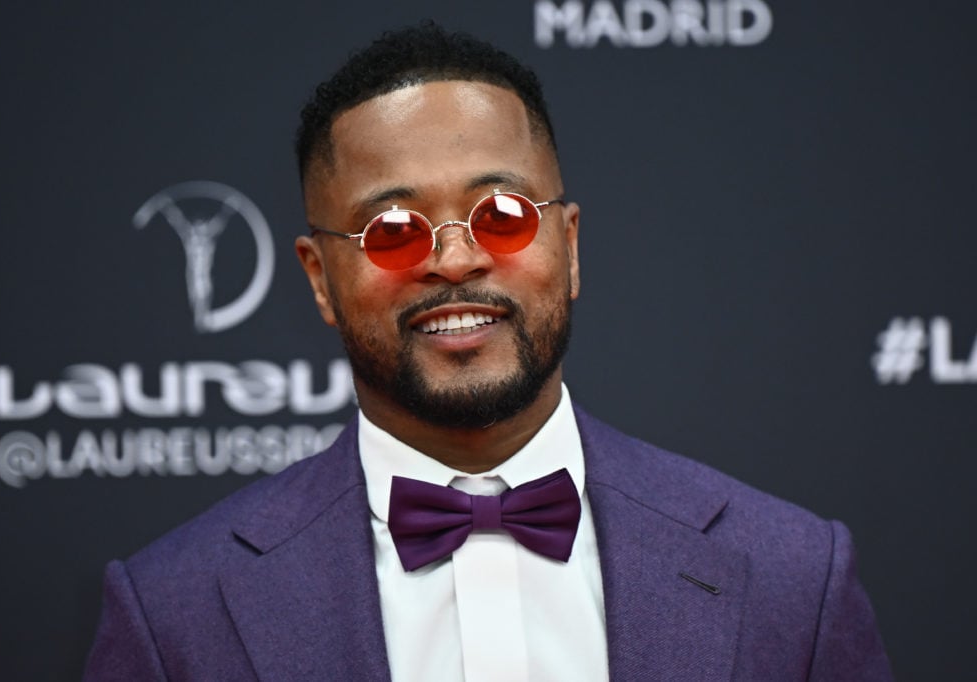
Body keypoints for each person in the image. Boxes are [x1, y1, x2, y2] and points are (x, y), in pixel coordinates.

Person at [84, 22, 893, 681]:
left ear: (568, 246)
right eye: (393, 231)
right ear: (320, 278)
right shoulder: (172, 615)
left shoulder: (793, 577)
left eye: (501, 214)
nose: (457, 259)